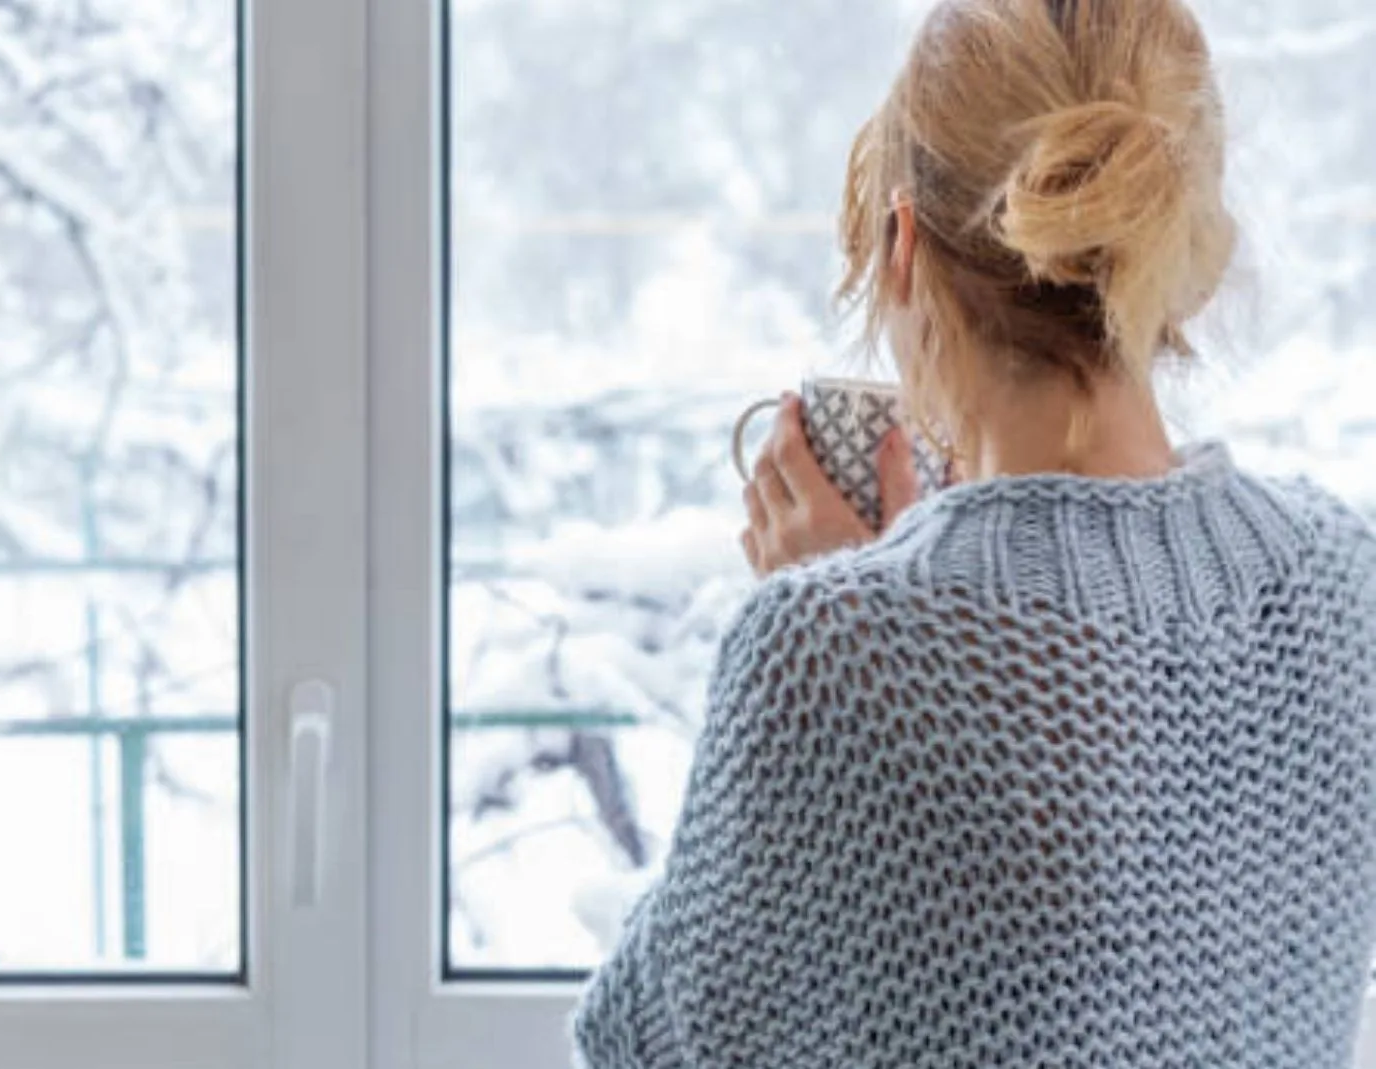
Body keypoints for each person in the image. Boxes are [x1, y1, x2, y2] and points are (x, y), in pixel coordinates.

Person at [570, 0, 1376, 1066]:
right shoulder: (1346, 581)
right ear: (1176, 242)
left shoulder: (829, 649)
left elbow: (647, 1047)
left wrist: (852, 610)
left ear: (903, 246)